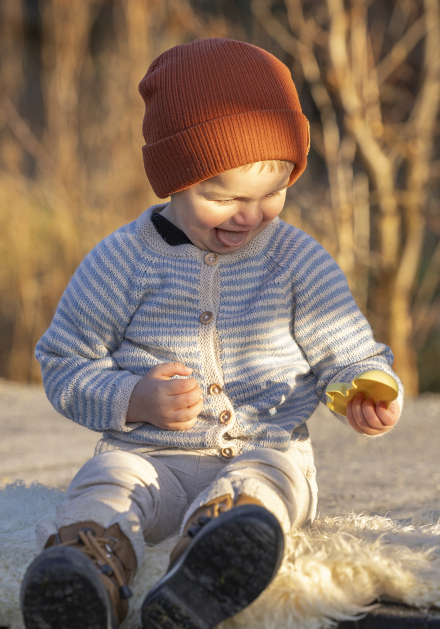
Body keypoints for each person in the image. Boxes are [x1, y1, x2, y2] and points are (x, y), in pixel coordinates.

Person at [20, 38, 403, 629]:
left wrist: (367, 386)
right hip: (150, 455)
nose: (249, 215)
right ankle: (88, 568)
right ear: (175, 178)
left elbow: (348, 350)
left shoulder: (296, 262)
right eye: (223, 197)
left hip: (266, 449)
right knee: (107, 482)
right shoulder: (121, 263)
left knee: (270, 486)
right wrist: (133, 397)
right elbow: (63, 361)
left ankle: (216, 558)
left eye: (272, 194)